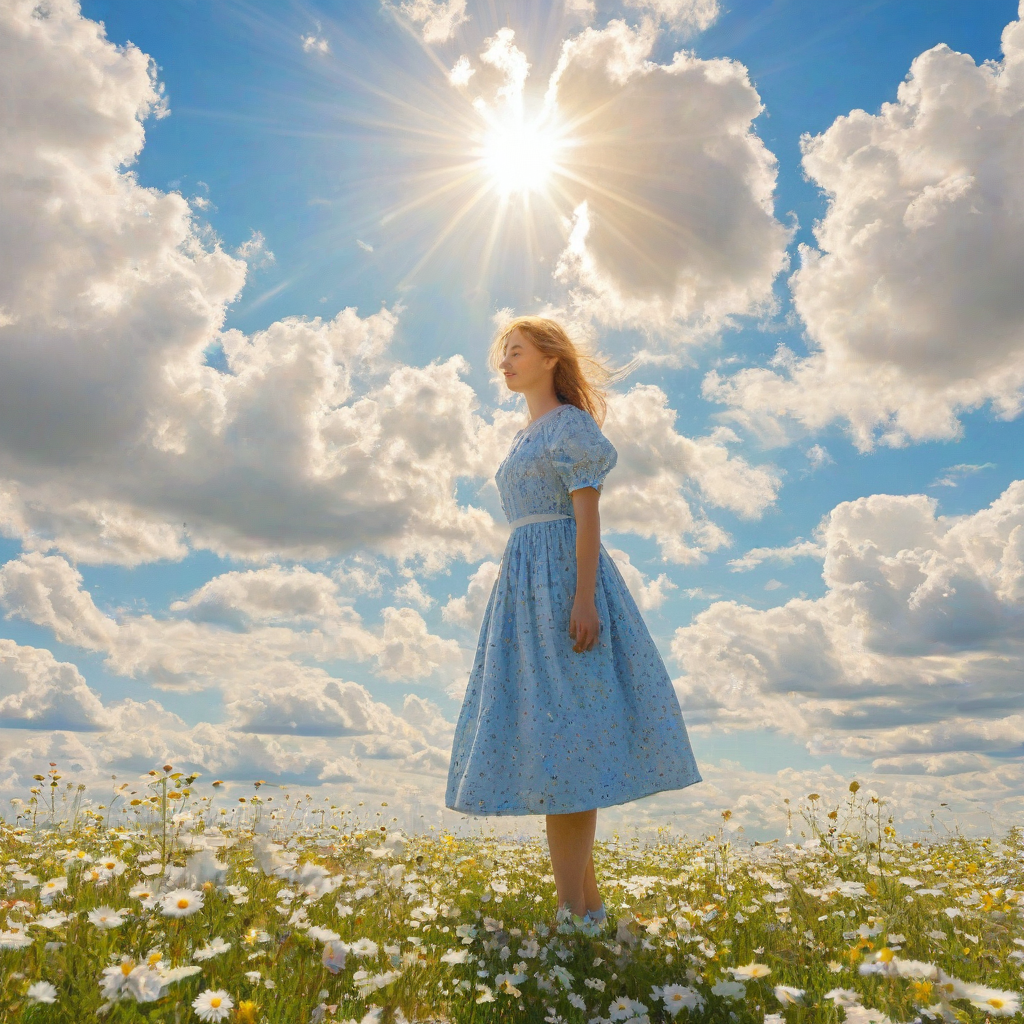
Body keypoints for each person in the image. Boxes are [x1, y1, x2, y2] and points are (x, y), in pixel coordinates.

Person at [444, 316, 702, 925]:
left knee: (568, 752)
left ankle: (570, 915)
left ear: (550, 358)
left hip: (563, 582)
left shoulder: (569, 427)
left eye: (516, 352)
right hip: (523, 590)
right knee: (551, 745)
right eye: (502, 353)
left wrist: (583, 600)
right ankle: (588, 911)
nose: (504, 363)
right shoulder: (523, 434)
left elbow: (587, 519)